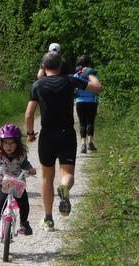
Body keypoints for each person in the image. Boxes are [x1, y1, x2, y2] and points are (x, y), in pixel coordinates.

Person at [25, 52, 102, 231]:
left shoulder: (37, 85)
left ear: (43, 67)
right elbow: (97, 88)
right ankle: (64, 187)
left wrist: (30, 133)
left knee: (46, 177)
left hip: (47, 135)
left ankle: (48, 219)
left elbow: (29, 114)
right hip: (66, 134)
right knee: (67, 175)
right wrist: (90, 74)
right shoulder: (70, 80)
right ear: (60, 66)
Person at [0, 124, 36, 242]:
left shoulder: (22, 152)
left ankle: (24, 223)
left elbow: (25, 164)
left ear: (17, 143)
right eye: (5, 143)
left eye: (12, 143)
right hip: (2, 180)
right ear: (0, 143)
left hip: (17, 181)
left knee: (24, 201)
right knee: (1, 201)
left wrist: (30, 169)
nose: (8, 146)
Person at [74, 55, 100, 153]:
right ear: (89, 63)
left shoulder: (77, 74)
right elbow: (97, 86)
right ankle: (90, 143)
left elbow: (74, 88)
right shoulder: (93, 73)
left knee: (82, 123)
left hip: (80, 101)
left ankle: (83, 144)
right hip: (92, 101)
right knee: (90, 122)